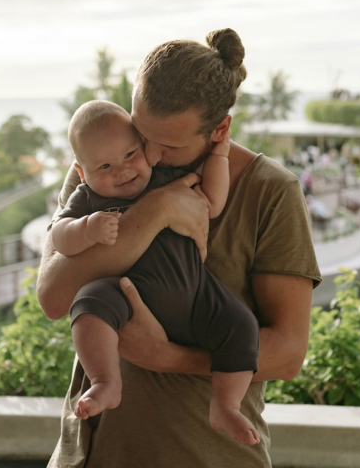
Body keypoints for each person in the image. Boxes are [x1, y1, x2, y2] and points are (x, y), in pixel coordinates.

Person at [38, 28, 322, 468]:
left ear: (220, 129)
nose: (147, 158)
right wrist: (152, 212)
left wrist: (169, 358)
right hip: (93, 455)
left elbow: (288, 353)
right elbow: (53, 298)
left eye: (168, 145)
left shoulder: (270, 191)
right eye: (141, 133)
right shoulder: (106, 166)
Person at [50, 99, 260, 445]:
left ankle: (225, 404)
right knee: (88, 305)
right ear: (83, 173)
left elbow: (213, 201)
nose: (122, 170)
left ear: (145, 147)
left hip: (196, 294)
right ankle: (106, 381)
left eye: (130, 154)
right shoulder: (87, 199)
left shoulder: (165, 178)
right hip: (126, 296)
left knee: (241, 326)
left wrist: (219, 155)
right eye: (104, 165)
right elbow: (60, 236)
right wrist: (86, 230)